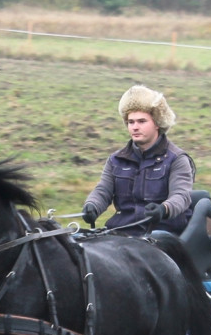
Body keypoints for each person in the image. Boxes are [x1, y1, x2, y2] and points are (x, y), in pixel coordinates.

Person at [82, 84, 196, 235]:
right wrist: (92, 205)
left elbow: (181, 196)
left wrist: (163, 209)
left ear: (157, 123)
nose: (135, 127)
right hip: (122, 232)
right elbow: (103, 191)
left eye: (142, 121)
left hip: (163, 235)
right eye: (131, 122)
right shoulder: (115, 160)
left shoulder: (177, 159)